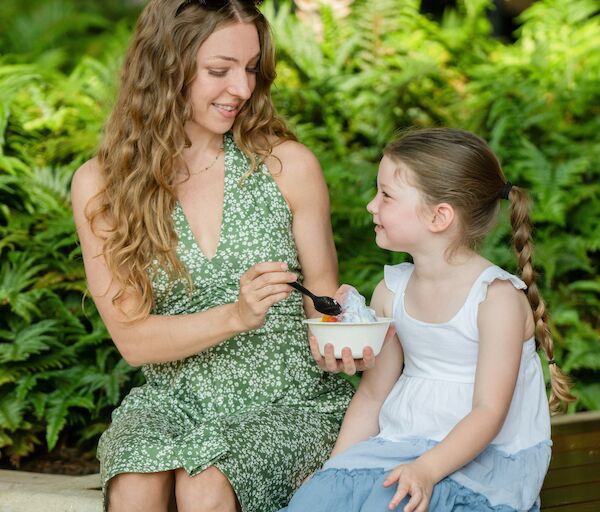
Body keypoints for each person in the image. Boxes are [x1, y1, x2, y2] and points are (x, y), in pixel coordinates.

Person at [70, 1, 357, 510]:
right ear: (165, 68)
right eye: (219, 71)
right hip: (171, 402)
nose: (243, 90)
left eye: (250, 70)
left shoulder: (286, 166)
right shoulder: (103, 184)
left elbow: (324, 304)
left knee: (205, 485)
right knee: (136, 487)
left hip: (287, 401)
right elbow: (134, 341)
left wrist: (347, 336)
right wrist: (237, 315)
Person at [281, 127, 575, 512]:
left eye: (386, 195)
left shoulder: (495, 300)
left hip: (485, 459)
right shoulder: (392, 291)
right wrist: (336, 468)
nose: (372, 205)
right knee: (315, 501)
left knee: (390, 503)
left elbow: (489, 411)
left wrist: (427, 469)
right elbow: (372, 394)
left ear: (439, 216)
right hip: (402, 443)